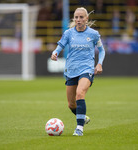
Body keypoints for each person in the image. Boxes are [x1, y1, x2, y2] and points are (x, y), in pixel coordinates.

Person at [51, 7, 105, 136]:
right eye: (76, 17)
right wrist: (55, 52)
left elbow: (101, 50)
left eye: (81, 17)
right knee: (71, 104)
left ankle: (79, 128)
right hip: (71, 69)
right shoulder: (69, 33)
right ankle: (82, 117)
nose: (78, 20)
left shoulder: (93, 34)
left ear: (86, 19)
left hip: (87, 69)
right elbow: (60, 46)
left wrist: (99, 64)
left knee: (80, 93)